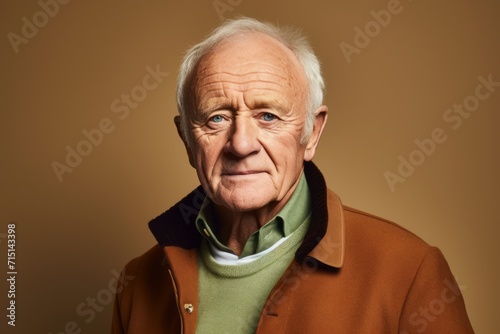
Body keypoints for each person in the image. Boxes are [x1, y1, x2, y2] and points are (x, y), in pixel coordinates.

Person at [111, 17, 474, 333]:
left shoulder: (407, 270)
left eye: (268, 116)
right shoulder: (138, 283)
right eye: (216, 117)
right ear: (187, 140)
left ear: (311, 134)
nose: (241, 144)